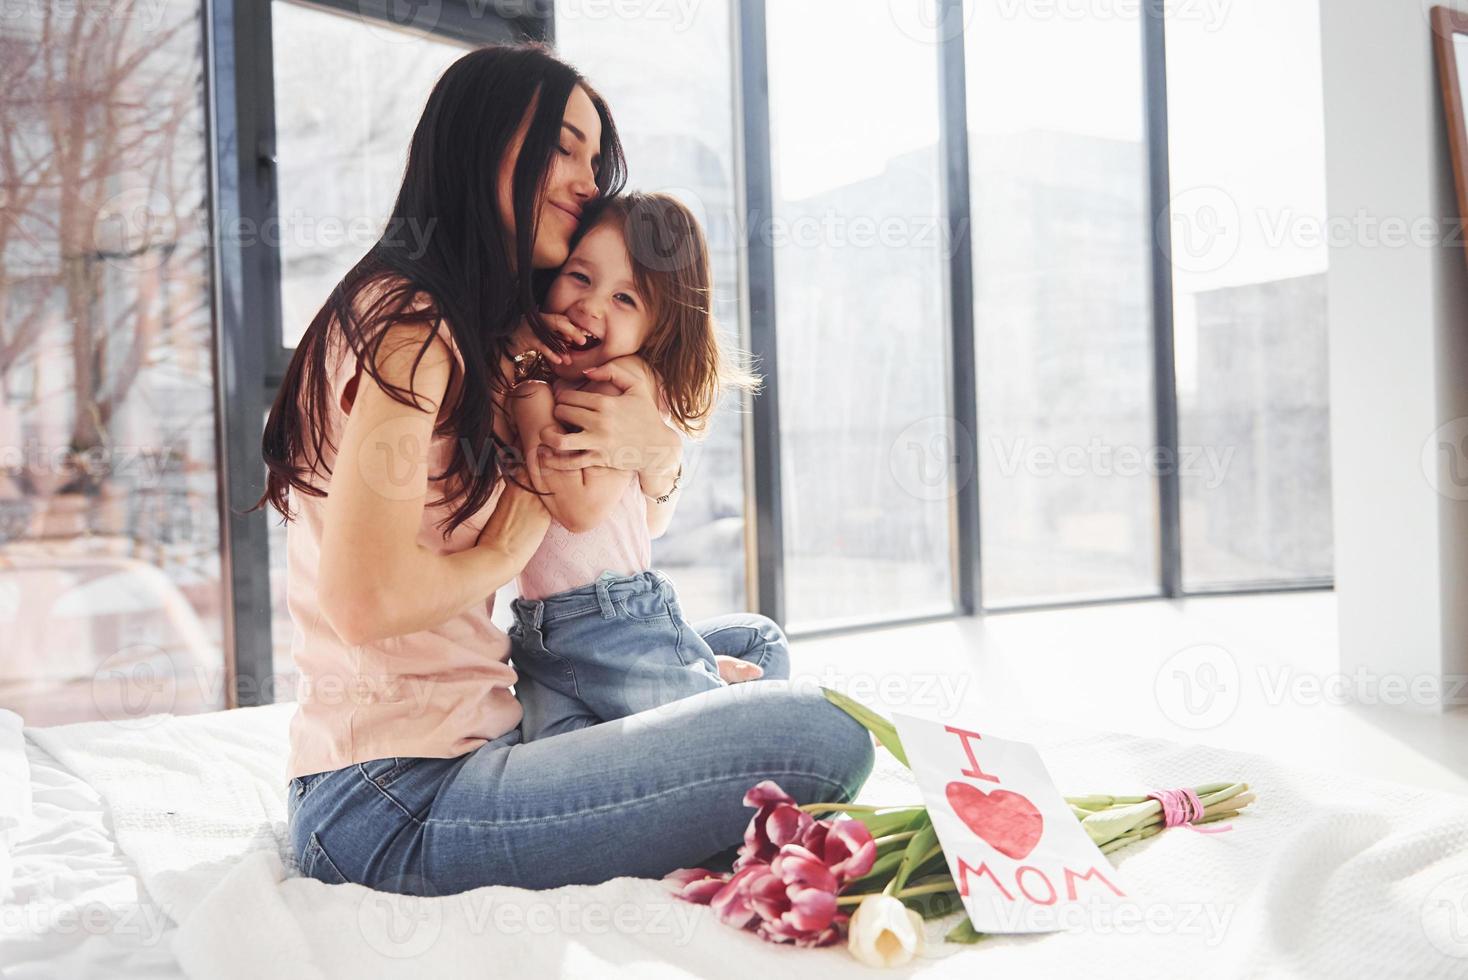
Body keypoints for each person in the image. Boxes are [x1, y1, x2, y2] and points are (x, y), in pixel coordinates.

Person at [254, 43, 873, 895]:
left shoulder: (465, 321)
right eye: (566, 148)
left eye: (594, 157)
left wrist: (656, 448)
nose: (587, 181)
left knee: (753, 643)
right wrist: (512, 540)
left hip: (451, 743)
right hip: (395, 799)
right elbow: (364, 603)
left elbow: (625, 525)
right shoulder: (414, 326)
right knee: (828, 735)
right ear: (485, 141)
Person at [505, 190, 781, 742]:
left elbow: (580, 509)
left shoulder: (620, 387)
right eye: (580, 278)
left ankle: (690, 678)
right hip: (539, 633)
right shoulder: (560, 378)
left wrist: (525, 382)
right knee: (565, 761)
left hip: (615, 619)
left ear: (656, 331)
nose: (590, 306)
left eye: (625, 299)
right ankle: (693, 672)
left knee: (718, 743)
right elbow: (644, 517)